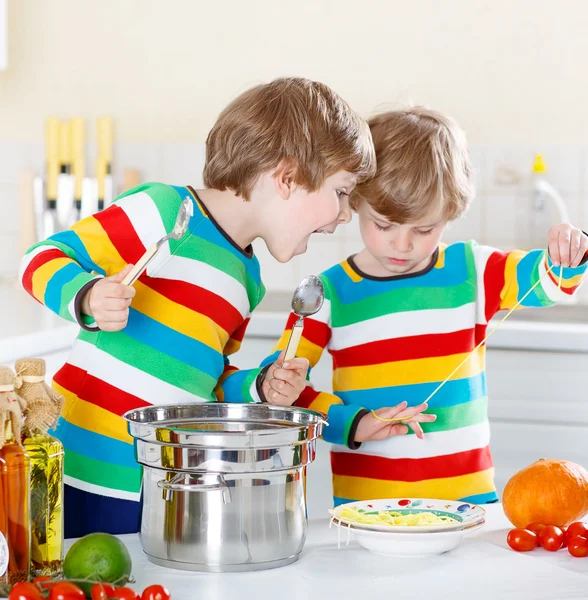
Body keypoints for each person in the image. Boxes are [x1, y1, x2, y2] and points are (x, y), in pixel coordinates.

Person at [19, 77, 377, 536]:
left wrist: (260, 387)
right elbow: (40, 258)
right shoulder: (165, 211)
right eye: (342, 192)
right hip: (78, 471)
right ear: (288, 177)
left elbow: (207, 378)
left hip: (159, 485)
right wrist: (85, 295)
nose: (346, 214)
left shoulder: (248, 280)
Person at [261, 107, 588, 507]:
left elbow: (547, 282)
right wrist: (355, 423)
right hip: (367, 509)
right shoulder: (328, 292)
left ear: (450, 214)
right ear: (356, 201)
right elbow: (286, 388)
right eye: (383, 225)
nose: (402, 245)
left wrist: (569, 254)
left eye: (424, 229)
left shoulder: (471, 269)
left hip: (467, 506)